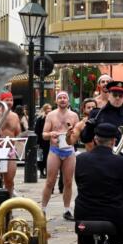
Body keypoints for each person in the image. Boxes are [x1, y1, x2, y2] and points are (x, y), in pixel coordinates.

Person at [74, 123, 123, 244]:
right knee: (122, 241)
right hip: (112, 217)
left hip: (84, 214)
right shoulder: (120, 162)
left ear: (95, 139)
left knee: (86, 239)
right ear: (114, 141)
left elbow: (79, 182)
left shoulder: (81, 159)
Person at [81, 81, 123, 179]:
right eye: (115, 94)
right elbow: (85, 139)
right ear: (109, 95)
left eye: (121, 95)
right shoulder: (96, 113)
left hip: (120, 167)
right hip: (99, 163)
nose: (117, 98)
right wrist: (89, 127)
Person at [41, 91, 80, 220]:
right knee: (50, 181)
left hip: (69, 150)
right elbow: (44, 134)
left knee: (68, 182)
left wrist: (71, 133)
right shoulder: (51, 115)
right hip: (55, 150)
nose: (62, 100)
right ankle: (43, 209)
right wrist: (51, 133)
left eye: (65, 98)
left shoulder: (74, 115)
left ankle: (67, 210)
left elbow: (77, 134)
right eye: (60, 98)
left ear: (68, 101)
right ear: (56, 101)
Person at [35, 103, 52, 178]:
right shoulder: (40, 119)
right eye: (48, 108)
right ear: (45, 110)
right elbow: (37, 130)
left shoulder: (52, 118)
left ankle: (48, 171)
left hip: (49, 141)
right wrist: (38, 141)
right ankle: (42, 171)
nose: (49, 110)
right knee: (41, 157)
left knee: (48, 156)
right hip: (41, 141)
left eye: (50, 108)